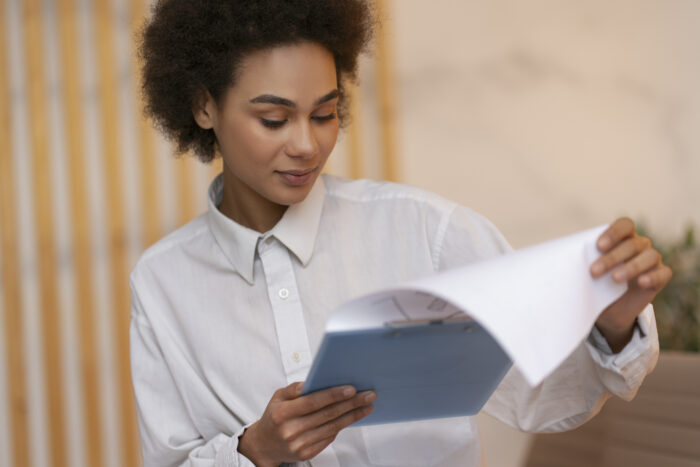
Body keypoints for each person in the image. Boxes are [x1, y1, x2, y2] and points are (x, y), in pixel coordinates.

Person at [130, 1, 671, 465]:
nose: (306, 145)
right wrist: (257, 450)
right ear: (204, 105)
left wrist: (611, 324)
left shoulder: (426, 231)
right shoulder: (164, 284)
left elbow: (542, 398)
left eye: (325, 114)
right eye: (274, 119)